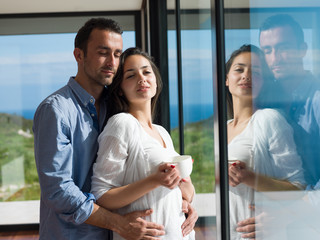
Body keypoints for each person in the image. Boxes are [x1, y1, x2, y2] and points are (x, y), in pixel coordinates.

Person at [33, 18, 199, 240]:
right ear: (79, 55)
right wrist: (119, 224)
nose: (112, 61)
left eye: (117, 54)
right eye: (103, 52)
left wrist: (182, 203)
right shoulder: (56, 110)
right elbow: (58, 190)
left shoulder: (113, 110)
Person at [91, 47, 196, 240]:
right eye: (131, 75)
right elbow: (101, 195)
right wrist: (154, 181)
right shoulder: (122, 124)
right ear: (120, 89)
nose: (142, 78)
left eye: (147, 72)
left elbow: (183, 190)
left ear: (155, 80)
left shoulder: (162, 132)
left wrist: (188, 205)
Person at [236, 14, 320, 238]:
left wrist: (289, 212)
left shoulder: (317, 99)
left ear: (303, 49)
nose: (276, 58)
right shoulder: (266, 103)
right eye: (267, 50)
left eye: (284, 48)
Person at [226, 44, 305, 240]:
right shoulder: (222, 128)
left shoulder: (269, 120)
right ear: (227, 79)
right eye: (239, 69)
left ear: (263, 82)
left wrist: (249, 177)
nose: (247, 75)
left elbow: (298, 188)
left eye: (256, 72)